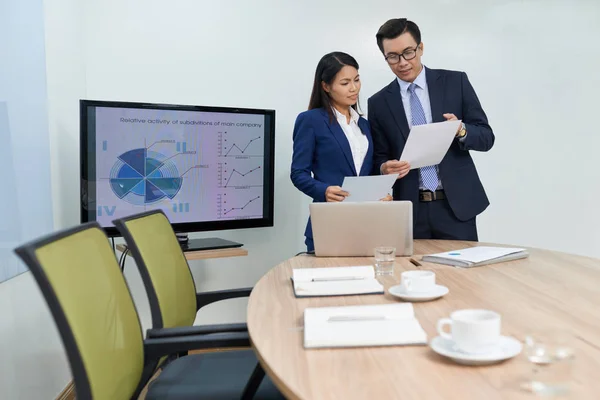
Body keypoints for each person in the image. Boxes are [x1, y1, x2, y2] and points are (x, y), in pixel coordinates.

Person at [368, 18, 494, 241]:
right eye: (392, 57)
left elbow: (486, 137)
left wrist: (461, 130)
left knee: (461, 276)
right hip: (409, 210)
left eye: (408, 52)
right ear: (385, 58)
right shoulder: (378, 103)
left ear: (421, 48)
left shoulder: (455, 82)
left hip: (456, 208)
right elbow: (380, 156)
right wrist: (385, 167)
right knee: (412, 275)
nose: (402, 62)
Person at [291, 52, 389, 252]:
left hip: (367, 224)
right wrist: (324, 190)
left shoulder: (364, 125)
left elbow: (367, 174)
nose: (354, 88)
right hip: (328, 223)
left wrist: (382, 192)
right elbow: (298, 173)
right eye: (345, 83)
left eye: (356, 80)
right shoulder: (311, 120)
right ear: (326, 86)